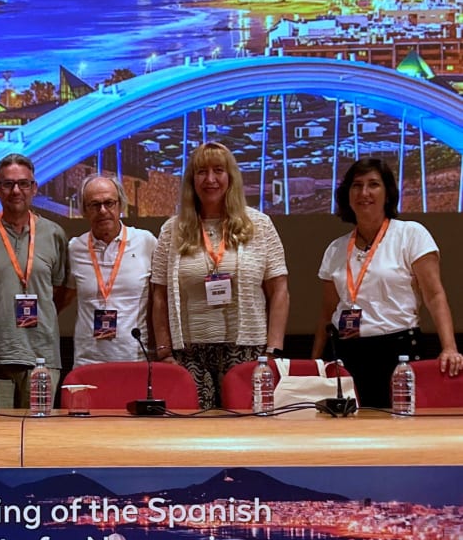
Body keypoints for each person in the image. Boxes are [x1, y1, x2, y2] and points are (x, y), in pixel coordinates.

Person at [313, 158, 463, 407]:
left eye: (373, 184)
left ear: (388, 193)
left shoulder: (411, 234)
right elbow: (327, 313)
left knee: (400, 423)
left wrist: (449, 347)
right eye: (356, 185)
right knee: (346, 426)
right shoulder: (336, 249)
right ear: (347, 195)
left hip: (397, 351)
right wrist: (315, 362)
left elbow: (435, 296)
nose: (364, 192)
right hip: (345, 353)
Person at [150, 141, 289, 409]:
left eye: (218, 170)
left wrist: (273, 350)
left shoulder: (259, 225)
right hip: (188, 353)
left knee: (245, 424)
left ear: (230, 177)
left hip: (248, 350)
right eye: (202, 172)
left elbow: (279, 290)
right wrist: (164, 351)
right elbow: (159, 296)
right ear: (191, 180)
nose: (210, 179)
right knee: (194, 426)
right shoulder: (172, 230)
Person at [0, 154, 69, 408]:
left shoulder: (54, 234)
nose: (16, 191)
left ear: (34, 188)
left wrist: (41, 312)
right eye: (8, 184)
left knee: (38, 429)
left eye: (23, 184)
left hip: (42, 359)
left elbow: (60, 291)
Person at [64, 175, 157, 368]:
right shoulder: (74, 248)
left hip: (135, 359)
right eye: (94, 205)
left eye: (109, 203)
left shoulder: (146, 242)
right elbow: (64, 297)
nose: (103, 211)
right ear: (84, 210)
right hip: (87, 361)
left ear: (120, 204)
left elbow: (161, 299)